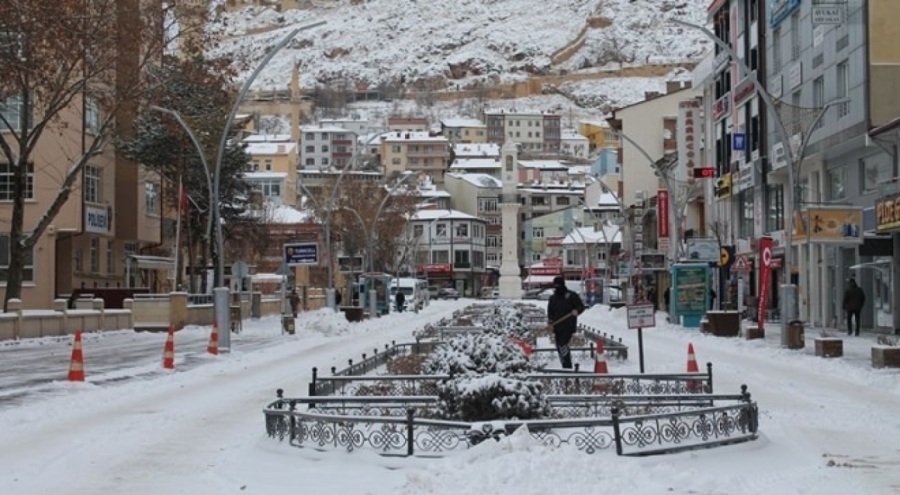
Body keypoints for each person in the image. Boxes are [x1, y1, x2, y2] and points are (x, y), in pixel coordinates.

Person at [547, 276, 586, 369]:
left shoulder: (571, 295)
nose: (557, 287)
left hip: (569, 324)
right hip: (557, 326)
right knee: (559, 346)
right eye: (555, 285)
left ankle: (568, 365)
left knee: (562, 344)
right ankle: (564, 364)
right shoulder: (553, 298)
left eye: (558, 285)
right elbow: (550, 312)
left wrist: (577, 311)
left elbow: (581, 306)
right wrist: (550, 323)